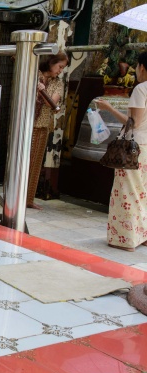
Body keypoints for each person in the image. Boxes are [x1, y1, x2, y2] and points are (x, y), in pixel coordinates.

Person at [95, 51, 147, 252]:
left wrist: (109, 108)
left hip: (135, 147)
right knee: (142, 192)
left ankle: (125, 239)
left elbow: (134, 124)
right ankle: (141, 235)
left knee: (126, 192)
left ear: (142, 67)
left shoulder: (141, 90)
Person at [27, 52, 68, 209]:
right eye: (60, 66)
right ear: (51, 62)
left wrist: (42, 90)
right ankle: (13, 196)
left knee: (35, 163)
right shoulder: (34, 74)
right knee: (18, 161)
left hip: (41, 126)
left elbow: (53, 102)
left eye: (63, 68)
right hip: (24, 123)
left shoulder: (58, 83)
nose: (60, 71)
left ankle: (29, 199)